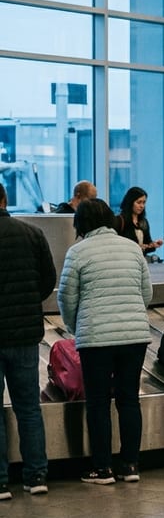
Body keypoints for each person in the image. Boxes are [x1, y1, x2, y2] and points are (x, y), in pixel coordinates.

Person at [58, 199, 153, 484]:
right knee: (128, 399)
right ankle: (131, 465)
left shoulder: (77, 252)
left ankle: (102, 468)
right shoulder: (132, 249)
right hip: (134, 336)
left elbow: (66, 297)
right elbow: (146, 292)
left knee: (98, 402)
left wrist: (76, 325)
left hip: (96, 337)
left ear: (81, 223)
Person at [0, 182, 55, 498]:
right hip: (24, 335)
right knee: (28, 407)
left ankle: (1, 481)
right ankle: (36, 477)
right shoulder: (32, 233)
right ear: (5, 199)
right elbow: (48, 279)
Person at [115, 186, 164, 259]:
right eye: (139, 202)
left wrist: (153, 245)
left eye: (144, 203)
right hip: (125, 261)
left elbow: (147, 243)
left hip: (140, 261)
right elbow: (116, 246)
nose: (142, 206)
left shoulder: (143, 221)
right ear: (130, 202)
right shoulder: (119, 220)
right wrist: (137, 247)